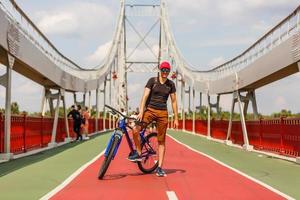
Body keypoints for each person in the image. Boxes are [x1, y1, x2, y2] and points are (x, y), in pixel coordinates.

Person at [129, 61, 179, 177]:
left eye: (167, 70)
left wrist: (176, 118)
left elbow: (174, 101)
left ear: (169, 71)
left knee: (161, 141)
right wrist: (141, 111)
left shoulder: (171, 84)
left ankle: (160, 167)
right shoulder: (152, 81)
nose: (165, 72)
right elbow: (145, 96)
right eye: (163, 70)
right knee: (135, 129)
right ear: (159, 70)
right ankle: (138, 152)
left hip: (162, 113)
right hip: (150, 110)